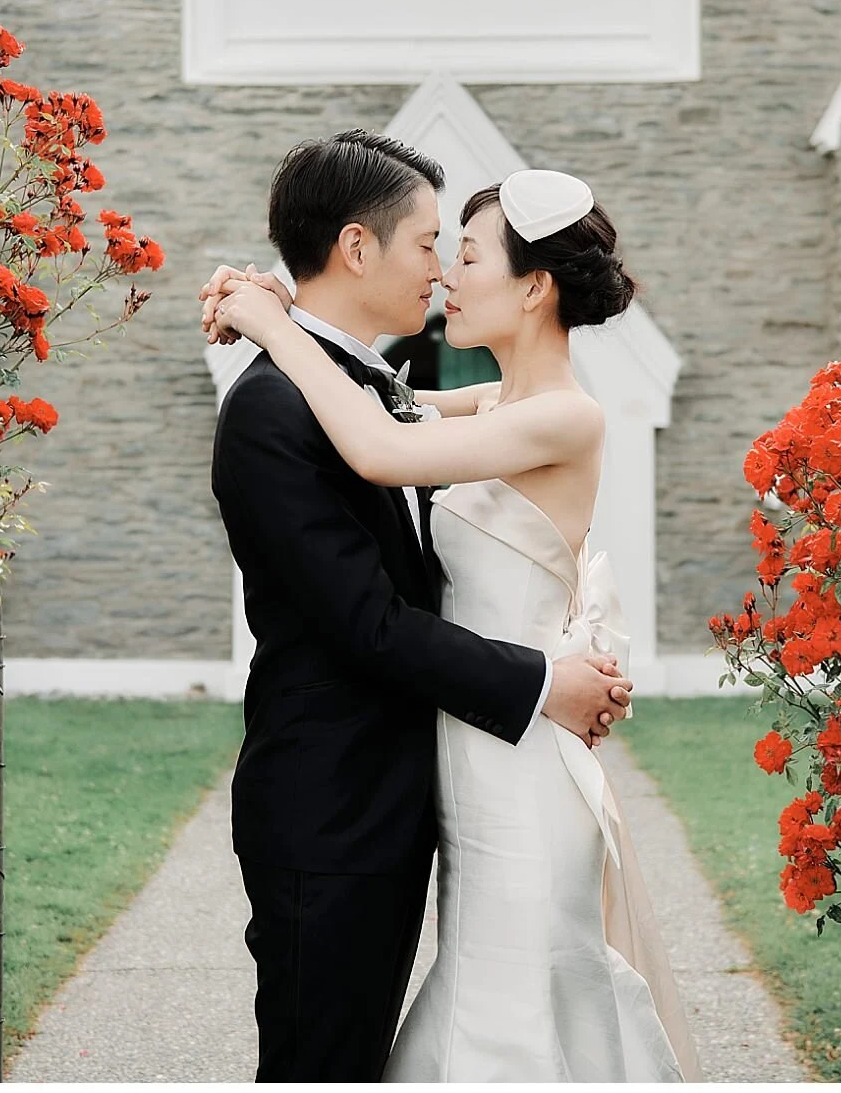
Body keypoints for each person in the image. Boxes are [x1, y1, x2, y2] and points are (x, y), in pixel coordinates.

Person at [204, 145, 700, 1082]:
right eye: (436, 245)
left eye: (463, 252)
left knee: (509, 1002)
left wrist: (275, 319)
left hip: (486, 771)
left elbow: (380, 445)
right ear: (357, 246)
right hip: (366, 791)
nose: (442, 271)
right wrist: (278, 317)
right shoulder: (318, 409)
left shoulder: (558, 414)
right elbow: (381, 443)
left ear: (535, 289)